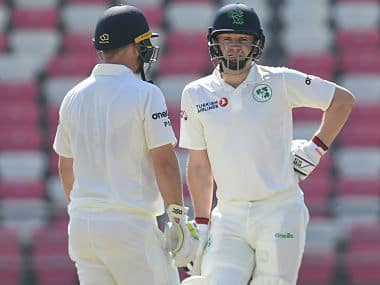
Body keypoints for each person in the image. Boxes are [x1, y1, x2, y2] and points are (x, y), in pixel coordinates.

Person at [179, 3, 355, 285]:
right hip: (229, 215)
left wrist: (316, 148)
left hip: (280, 210)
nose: (234, 47)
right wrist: (201, 223)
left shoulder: (280, 81)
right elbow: (200, 166)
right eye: (227, 39)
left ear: (255, 44)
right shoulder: (196, 93)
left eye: (242, 40)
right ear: (215, 42)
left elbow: (342, 100)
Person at [53, 5, 198, 285]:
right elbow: (165, 162)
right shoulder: (146, 93)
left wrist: (87, 211)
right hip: (129, 228)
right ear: (134, 47)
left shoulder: (72, 96)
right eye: (144, 44)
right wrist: (178, 218)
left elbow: (65, 166)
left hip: (83, 229)